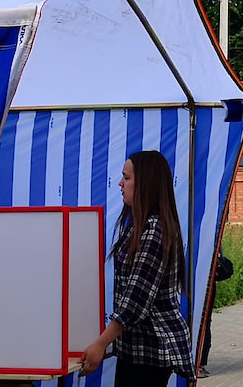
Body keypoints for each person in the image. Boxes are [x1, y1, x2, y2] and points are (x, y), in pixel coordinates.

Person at [79, 150, 196, 385]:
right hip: (136, 350)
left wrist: (100, 344)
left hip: (149, 351)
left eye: (127, 178)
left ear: (146, 183)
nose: (120, 183)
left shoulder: (155, 230)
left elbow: (136, 302)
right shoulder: (139, 226)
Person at [198, 253, 232, 378]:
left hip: (205, 284)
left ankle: (200, 363)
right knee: (204, 322)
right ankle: (200, 364)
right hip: (204, 283)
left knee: (204, 322)